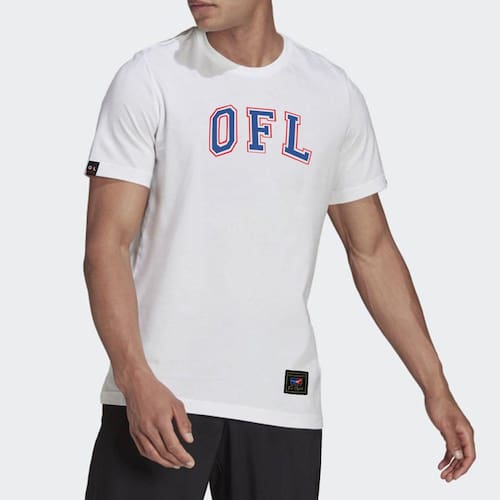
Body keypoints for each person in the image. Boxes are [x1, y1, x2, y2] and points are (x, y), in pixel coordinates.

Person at [82, 1, 476, 498]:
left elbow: (372, 250)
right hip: (160, 395)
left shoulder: (332, 93)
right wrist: (134, 377)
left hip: (281, 402)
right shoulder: (150, 78)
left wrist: (436, 387)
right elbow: (106, 245)